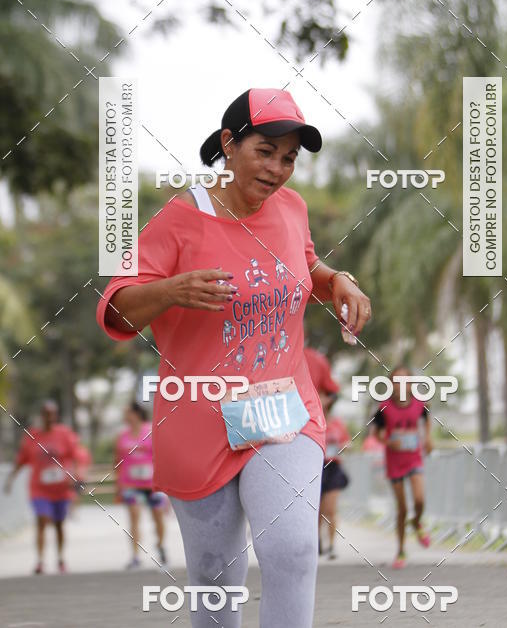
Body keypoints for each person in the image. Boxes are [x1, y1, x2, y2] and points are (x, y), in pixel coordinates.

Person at [96, 87, 372, 628]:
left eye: (289, 157)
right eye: (264, 151)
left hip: (281, 409)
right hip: (198, 416)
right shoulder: (178, 219)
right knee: (215, 576)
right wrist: (172, 290)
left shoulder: (291, 209)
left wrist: (338, 281)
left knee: (292, 550)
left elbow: (304, 266)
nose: (277, 169)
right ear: (229, 143)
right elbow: (118, 309)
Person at [3, 400, 79, 574]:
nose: (49, 418)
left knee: (59, 524)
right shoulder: (32, 436)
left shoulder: (64, 434)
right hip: (39, 489)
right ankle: (40, 561)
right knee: (42, 520)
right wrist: (10, 479)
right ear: (42, 415)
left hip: (61, 489)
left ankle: (60, 559)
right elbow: (21, 460)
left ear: (56, 416)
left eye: (53, 414)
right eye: (46, 414)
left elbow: (76, 457)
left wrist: (76, 476)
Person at [373, 365, 432, 569]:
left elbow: (426, 419)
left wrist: (428, 439)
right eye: (396, 381)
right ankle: (400, 551)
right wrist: (389, 442)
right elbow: (376, 434)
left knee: (419, 499)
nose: (401, 385)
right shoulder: (384, 408)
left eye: (404, 381)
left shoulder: (419, 404)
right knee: (402, 509)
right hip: (394, 462)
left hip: (414, 458)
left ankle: (417, 522)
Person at [114, 401, 168, 568]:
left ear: (136, 414)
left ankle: (160, 545)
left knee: (158, 516)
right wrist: (118, 485)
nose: (125, 416)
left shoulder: (151, 431)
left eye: (127, 412)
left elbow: (162, 456)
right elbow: (118, 461)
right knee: (134, 516)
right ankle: (135, 556)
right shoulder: (123, 435)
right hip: (131, 485)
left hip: (152, 484)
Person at [318, 390, 350, 559]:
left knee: (331, 509)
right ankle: (317, 543)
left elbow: (347, 441)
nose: (326, 399)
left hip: (334, 466)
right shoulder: (312, 420)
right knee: (317, 510)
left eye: (328, 396)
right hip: (316, 467)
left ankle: (331, 545)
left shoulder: (337, 423)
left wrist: (345, 446)